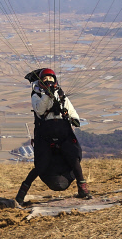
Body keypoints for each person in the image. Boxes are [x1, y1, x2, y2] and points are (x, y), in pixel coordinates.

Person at [15, 68, 92, 206]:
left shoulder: (61, 94)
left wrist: (74, 119)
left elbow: (71, 110)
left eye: (51, 79)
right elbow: (40, 110)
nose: (49, 81)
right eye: (45, 79)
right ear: (40, 81)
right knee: (41, 164)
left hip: (63, 131)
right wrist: (47, 95)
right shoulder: (36, 95)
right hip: (45, 134)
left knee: (73, 157)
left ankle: (83, 189)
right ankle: (21, 195)